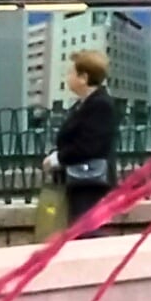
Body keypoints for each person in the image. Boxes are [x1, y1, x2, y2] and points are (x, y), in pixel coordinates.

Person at [45, 48, 119, 229]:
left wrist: (58, 158)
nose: (67, 77)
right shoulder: (84, 104)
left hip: (90, 181)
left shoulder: (100, 104)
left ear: (84, 77)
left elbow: (89, 145)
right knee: (79, 229)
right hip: (80, 180)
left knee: (85, 231)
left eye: (71, 72)